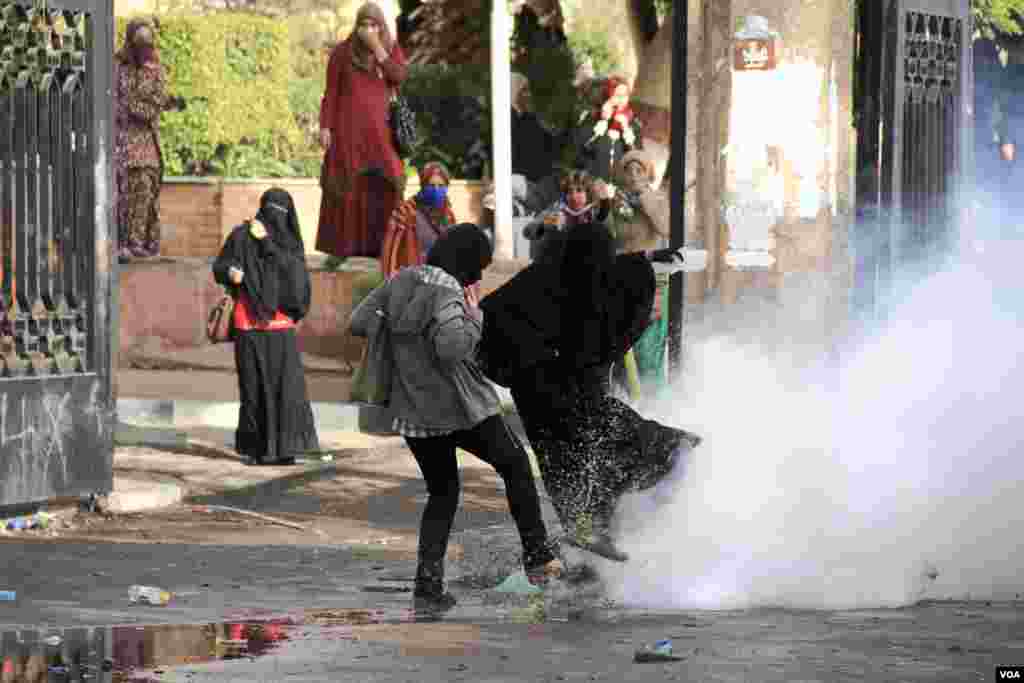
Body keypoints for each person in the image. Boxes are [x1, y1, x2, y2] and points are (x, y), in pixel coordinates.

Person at [349, 223, 563, 608]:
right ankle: (538, 556)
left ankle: (428, 585)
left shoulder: (400, 280)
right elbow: (452, 347)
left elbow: (359, 322)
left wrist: (404, 338)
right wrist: (475, 315)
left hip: (414, 412)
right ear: (464, 262)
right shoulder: (448, 293)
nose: (478, 275)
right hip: (462, 409)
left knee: (442, 493)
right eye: (477, 266)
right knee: (514, 464)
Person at [478, 222, 700, 561]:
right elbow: (620, 296)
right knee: (608, 445)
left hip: (536, 395)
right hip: (571, 393)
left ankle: (585, 534)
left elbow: (493, 315)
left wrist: (647, 256)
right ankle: (594, 531)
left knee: (563, 463)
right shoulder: (596, 280)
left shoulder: (540, 280)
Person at [213, 188, 320, 466]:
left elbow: (295, 279)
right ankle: (256, 449)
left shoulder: (289, 244)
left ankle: (286, 449)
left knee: (286, 389)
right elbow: (220, 265)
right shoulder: (241, 235)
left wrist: (267, 244)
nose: (275, 216)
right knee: (253, 388)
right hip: (247, 324)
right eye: (271, 208)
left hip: (280, 326)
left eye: (281, 211)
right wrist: (230, 272)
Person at [316, 2, 408, 264]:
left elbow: (399, 77)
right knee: (344, 186)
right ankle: (339, 251)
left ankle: (386, 249)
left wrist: (378, 48)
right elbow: (330, 94)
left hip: (382, 134)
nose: (368, 30)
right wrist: (325, 126)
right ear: (356, 26)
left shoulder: (389, 48)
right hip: (347, 133)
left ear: (381, 26)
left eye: (373, 25)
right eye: (363, 25)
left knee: (388, 183)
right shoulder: (342, 53)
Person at [114, 17, 181, 262]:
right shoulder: (117, 67)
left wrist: (133, 104)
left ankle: (139, 243)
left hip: (146, 145)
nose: (144, 48)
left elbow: (153, 108)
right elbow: (112, 103)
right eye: (138, 42)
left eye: (148, 42)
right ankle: (123, 244)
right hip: (119, 144)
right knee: (121, 194)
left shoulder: (156, 70)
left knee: (146, 189)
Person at [612, 149, 671, 393]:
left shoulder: (656, 199)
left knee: (648, 348)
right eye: (629, 170)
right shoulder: (618, 204)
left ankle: (656, 403)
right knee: (622, 349)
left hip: (652, 279)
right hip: (621, 279)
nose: (634, 175)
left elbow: (666, 227)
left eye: (640, 170)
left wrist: (644, 200)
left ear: (648, 174)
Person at [380, 161, 457, 278]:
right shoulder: (404, 212)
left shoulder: (448, 215)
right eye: (431, 185)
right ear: (422, 185)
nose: (436, 190)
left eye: (441, 186)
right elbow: (390, 251)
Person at [523, 170, 613, 263]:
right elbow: (528, 231)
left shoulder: (594, 211)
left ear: (588, 193)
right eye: (569, 191)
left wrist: (605, 202)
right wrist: (548, 222)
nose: (574, 196)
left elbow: (607, 235)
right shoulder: (557, 209)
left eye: (579, 190)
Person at [573, 76, 642, 182]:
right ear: (608, 96)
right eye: (616, 95)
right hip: (592, 181)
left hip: (619, 183)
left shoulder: (634, 124)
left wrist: (625, 128)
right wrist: (603, 120)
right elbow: (579, 150)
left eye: (625, 95)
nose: (621, 100)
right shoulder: (592, 118)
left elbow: (638, 159)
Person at [511, 72, 559, 183]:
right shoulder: (507, 120)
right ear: (513, 92)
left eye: (528, 90)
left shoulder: (531, 119)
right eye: (523, 90)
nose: (528, 95)